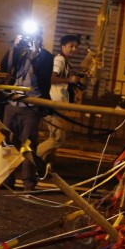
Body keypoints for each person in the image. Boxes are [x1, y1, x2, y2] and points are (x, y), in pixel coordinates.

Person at [0, 24, 54, 191]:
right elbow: (5, 67)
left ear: (39, 38)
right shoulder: (19, 51)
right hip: (12, 103)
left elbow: (44, 75)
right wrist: (14, 48)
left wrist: (35, 53)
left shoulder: (45, 56)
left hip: (31, 105)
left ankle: (28, 182)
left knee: (27, 144)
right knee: (7, 143)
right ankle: (6, 179)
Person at [36, 34, 81, 173]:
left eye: (75, 47)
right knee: (58, 139)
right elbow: (51, 78)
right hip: (54, 104)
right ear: (63, 46)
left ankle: (42, 168)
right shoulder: (60, 60)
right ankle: (33, 158)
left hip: (57, 103)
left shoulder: (64, 61)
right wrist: (69, 80)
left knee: (53, 137)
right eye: (70, 46)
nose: (73, 49)